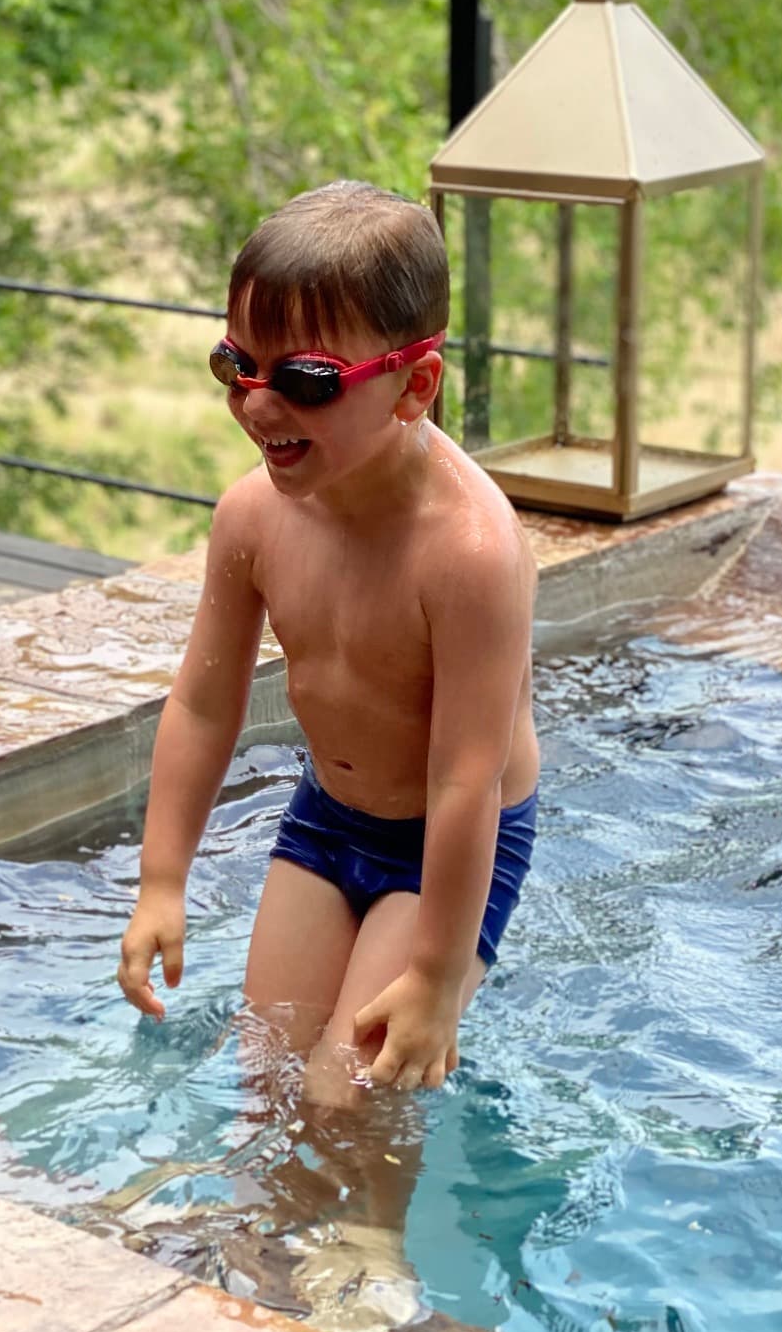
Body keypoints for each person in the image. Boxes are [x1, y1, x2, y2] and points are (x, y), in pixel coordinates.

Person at [116, 179, 539, 1118]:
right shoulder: (252, 519)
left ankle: (377, 1246)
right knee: (264, 1074)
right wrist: (161, 879)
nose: (260, 404)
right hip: (329, 815)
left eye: (303, 381)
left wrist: (433, 977)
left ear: (414, 384)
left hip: (450, 840)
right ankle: (254, 1245)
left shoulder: (469, 554)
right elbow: (202, 701)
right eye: (238, 367)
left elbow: (465, 779)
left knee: (348, 1091)